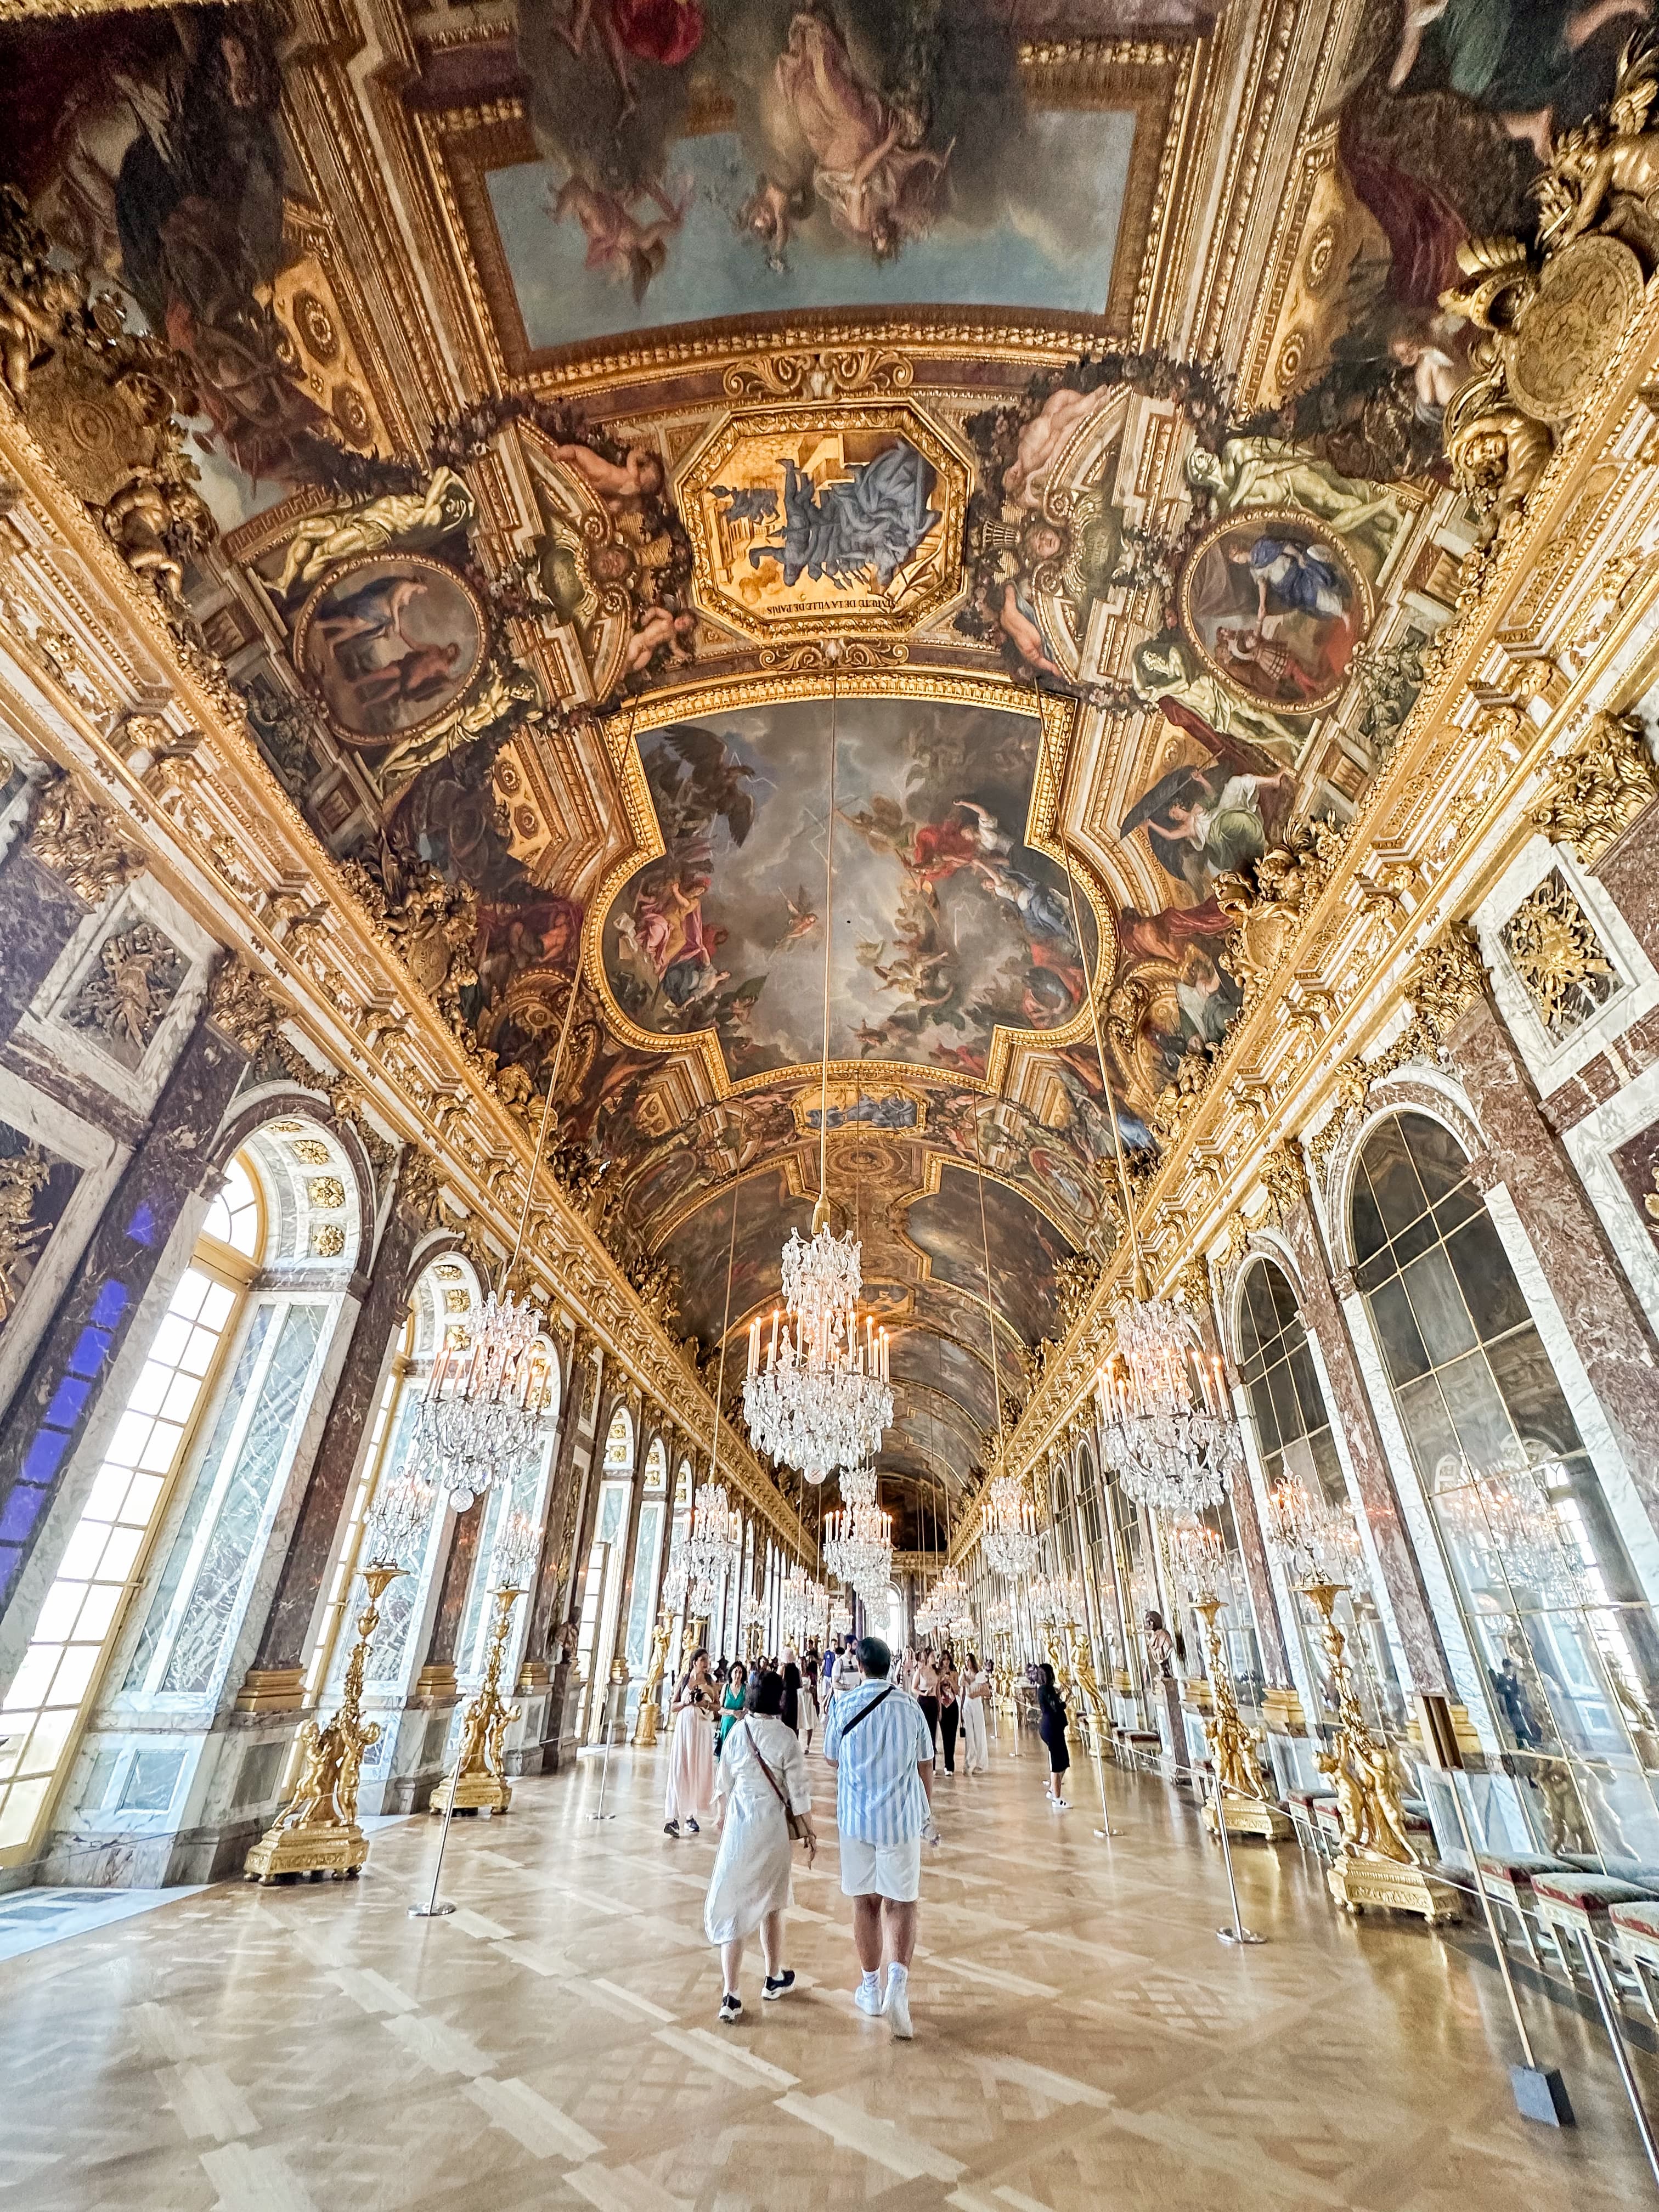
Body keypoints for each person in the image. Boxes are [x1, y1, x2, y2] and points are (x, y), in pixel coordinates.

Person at [822, 1635, 935, 2040]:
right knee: (901, 1903)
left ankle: (870, 1990)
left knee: (865, 1904)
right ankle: (898, 1989)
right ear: (891, 1667)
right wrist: (926, 1812)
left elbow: (831, 1757)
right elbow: (926, 1767)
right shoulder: (910, 1707)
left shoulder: (844, 1705)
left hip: (856, 1822)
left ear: (861, 1668)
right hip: (900, 1823)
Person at [706, 1669, 818, 2025]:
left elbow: (723, 1781)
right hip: (771, 1834)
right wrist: (810, 1832)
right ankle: (772, 1978)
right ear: (780, 1700)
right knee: (773, 1904)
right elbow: (799, 1795)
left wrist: (722, 1815)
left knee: (735, 1907)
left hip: (740, 1831)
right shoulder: (786, 1738)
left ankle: (731, 1993)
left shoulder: (739, 1733)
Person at [664, 1650, 717, 1837]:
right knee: (681, 1768)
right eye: (703, 1660)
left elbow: (718, 1706)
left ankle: (690, 1815)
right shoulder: (684, 1680)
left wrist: (706, 1705)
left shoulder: (711, 1682)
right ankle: (673, 1817)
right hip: (685, 1727)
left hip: (702, 1729)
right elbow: (673, 1707)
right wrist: (686, 1702)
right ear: (694, 1661)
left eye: (707, 1660)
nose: (706, 1663)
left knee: (697, 1769)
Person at [1036, 1663, 1070, 1810]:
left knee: (1064, 1761)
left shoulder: (1044, 1689)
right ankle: (1057, 1799)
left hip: (1051, 1727)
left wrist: (1061, 1693)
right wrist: (1066, 1701)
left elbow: (1052, 1699)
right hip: (1052, 1728)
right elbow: (1056, 1707)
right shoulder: (1045, 1689)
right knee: (1057, 1764)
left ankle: (1052, 1791)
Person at [961, 1653, 991, 1775]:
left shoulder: (979, 1676)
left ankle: (981, 1764)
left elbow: (987, 1692)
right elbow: (963, 1692)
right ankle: (968, 1761)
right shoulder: (964, 1674)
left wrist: (977, 1694)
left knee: (979, 1733)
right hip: (967, 1705)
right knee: (969, 1735)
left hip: (976, 1704)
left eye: (969, 1660)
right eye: (966, 1660)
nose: (967, 1663)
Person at [913, 1647, 940, 1759]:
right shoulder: (920, 1671)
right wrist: (924, 1693)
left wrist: (940, 1708)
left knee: (933, 1731)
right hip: (923, 1701)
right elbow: (913, 1688)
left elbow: (938, 1691)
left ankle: (932, 1763)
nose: (934, 1658)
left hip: (933, 1702)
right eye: (933, 1656)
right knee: (924, 1731)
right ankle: (922, 1758)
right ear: (928, 1657)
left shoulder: (936, 1672)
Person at [717, 1660, 748, 1754]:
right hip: (726, 1725)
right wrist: (732, 1712)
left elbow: (747, 1708)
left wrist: (742, 1714)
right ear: (731, 1673)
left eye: (740, 1672)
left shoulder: (746, 1689)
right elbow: (719, 1709)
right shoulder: (726, 1688)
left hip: (739, 1725)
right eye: (736, 1672)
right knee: (725, 1753)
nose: (738, 1675)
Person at [938, 1653, 960, 1778]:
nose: (946, 1662)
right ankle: (946, 1765)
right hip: (942, 1706)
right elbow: (936, 1689)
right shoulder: (938, 1673)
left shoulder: (954, 1674)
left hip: (953, 1706)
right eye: (944, 1660)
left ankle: (950, 1765)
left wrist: (951, 1680)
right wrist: (941, 1681)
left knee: (952, 1737)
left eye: (948, 1660)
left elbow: (957, 1691)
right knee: (945, 1736)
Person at [798, 1658, 820, 1752]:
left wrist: (812, 1689)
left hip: (808, 1699)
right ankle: (797, 1743)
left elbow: (814, 1687)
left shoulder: (811, 1674)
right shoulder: (796, 1674)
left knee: (809, 1721)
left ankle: (807, 1745)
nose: (802, 1665)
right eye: (800, 1663)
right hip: (799, 1698)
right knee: (798, 1721)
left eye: (803, 1663)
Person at [780, 1655, 802, 1736]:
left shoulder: (784, 1669)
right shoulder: (796, 1669)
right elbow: (800, 1685)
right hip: (794, 1697)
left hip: (786, 1697)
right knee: (794, 1719)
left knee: (785, 1719)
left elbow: (781, 1683)